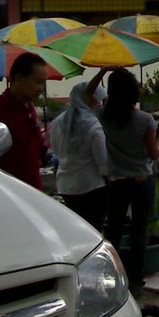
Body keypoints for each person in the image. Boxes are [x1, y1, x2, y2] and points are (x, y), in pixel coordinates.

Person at [87, 66, 159, 296]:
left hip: (115, 181)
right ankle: (136, 281)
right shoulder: (145, 120)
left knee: (114, 231)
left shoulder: (101, 116)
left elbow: (87, 93)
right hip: (141, 179)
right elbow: (153, 154)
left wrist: (102, 71)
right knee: (139, 231)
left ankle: (109, 279)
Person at [0, 52, 49, 190]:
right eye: (38, 82)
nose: (42, 88)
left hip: (34, 189)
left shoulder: (29, 107)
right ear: (18, 78)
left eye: (44, 83)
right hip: (9, 192)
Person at [50, 82, 108, 229]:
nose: (99, 103)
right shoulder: (93, 125)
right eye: (98, 99)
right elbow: (103, 162)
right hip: (91, 187)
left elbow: (55, 150)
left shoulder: (58, 122)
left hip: (65, 186)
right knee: (93, 231)